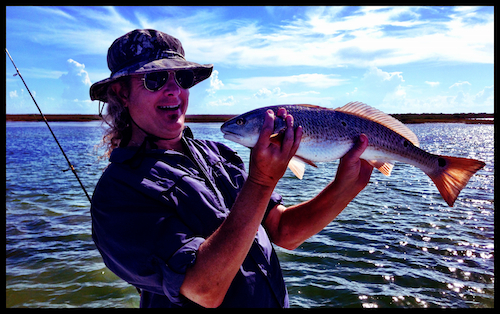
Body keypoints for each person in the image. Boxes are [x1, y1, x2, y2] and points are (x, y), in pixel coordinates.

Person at [90, 29, 373, 308]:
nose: (174, 90)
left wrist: (346, 186)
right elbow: (204, 288)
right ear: (121, 93)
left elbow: (284, 230)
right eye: (155, 79)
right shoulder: (116, 195)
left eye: (183, 78)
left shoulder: (217, 153)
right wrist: (261, 183)